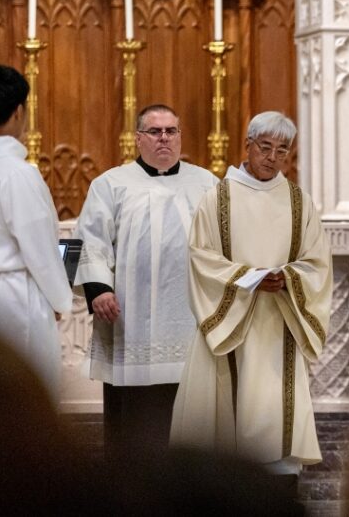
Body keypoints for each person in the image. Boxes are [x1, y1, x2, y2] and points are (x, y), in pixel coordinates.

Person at [170, 112, 331, 482]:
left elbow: (317, 261)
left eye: (282, 150)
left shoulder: (298, 200)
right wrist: (249, 278)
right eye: (265, 147)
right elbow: (201, 256)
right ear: (248, 146)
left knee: (275, 407)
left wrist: (287, 278)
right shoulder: (218, 197)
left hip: (280, 319)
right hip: (231, 322)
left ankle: (278, 472)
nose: (272, 157)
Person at [75, 104, 217, 458]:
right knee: (134, 427)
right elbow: (76, 243)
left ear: (181, 136)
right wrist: (98, 289)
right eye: (155, 131)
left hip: (190, 321)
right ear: (138, 139)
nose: (165, 138)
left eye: (172, 131)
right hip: (129, 323)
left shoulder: (208, 184)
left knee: (189, 417)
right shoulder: (110, 183)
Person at [0, 65, 73, 399]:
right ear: (18, 112)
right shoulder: (17, 174)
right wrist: (60, 299)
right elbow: (40, 250)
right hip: (14, 299)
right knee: (23, 405)